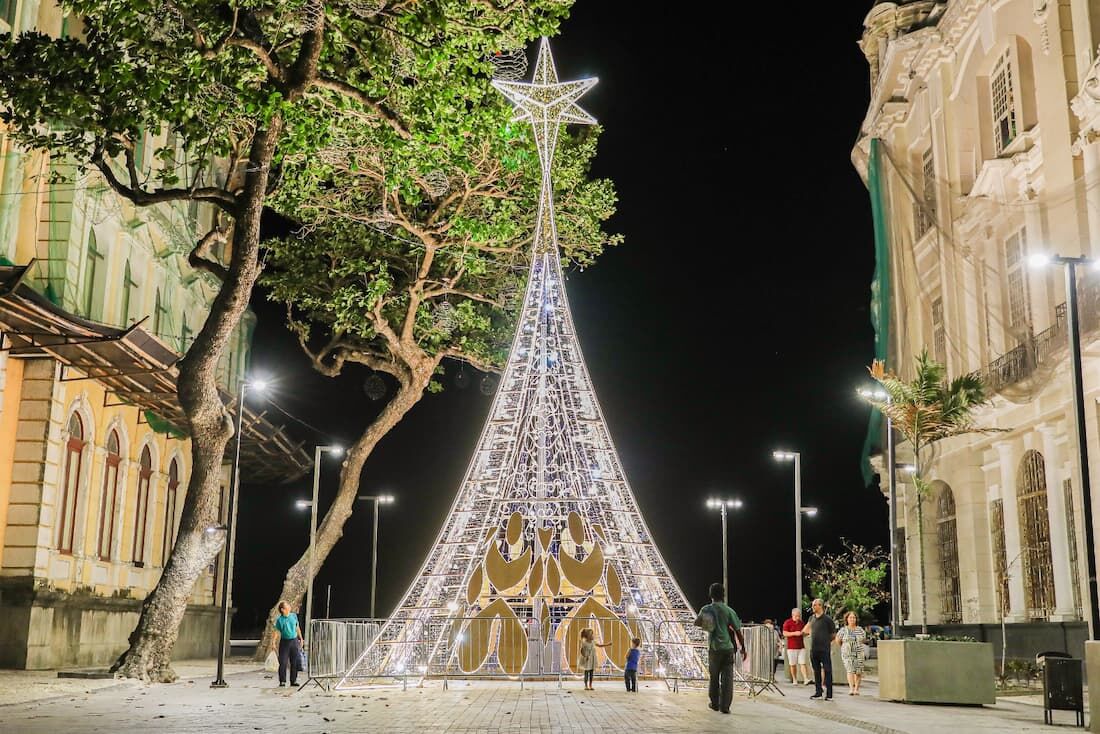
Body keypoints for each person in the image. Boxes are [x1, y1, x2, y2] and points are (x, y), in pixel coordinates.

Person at [699, 582, 744, 714]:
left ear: (710, 594)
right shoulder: (729, 610)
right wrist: (743, 648)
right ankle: (725, 706)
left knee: (714, 677)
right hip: (728, 648)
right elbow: (738, 631)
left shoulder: (706, 609)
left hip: (714, 648)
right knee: (728, 678)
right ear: (723, 595)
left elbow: (700, 623)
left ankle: (715, 703)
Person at [802, 598, 836, 701]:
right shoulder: (811, 618)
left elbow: (833, 635)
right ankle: (818, 692)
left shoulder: (827, 620)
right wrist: (805, 632)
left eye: (814, 605)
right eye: (813, 605)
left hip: (824, 649)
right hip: (814, 649)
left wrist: (826, 642)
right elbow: (804, 631)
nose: (813, 607)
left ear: (820, 606)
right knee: (816, 671)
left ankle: (829, 694)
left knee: (827, 670)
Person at [271, 600, 304, 688]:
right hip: (285, 642)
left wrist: (301, 638)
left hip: (294, 640)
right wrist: (273, 642)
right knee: (283, 662)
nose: (289, 607)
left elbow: (297, 627)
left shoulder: (293, 616)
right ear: (282, 609)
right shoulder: (280, 620)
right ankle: (282, 680)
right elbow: (277, 631)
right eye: (287, 606)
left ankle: (293, 680)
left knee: (294, 662)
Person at [836, 611, 867, 695]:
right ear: (847, 619)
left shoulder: (860, 629)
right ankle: (851, 688)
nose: (852, 619)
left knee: (858, 671)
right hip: (847, 653)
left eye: (854, 617)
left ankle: (856, 689)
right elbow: (838, 640)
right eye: (850, 617)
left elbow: (864, 639)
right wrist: (845, 647)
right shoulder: (843, 630)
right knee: (850, 670)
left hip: (859, 652)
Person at [782, 607, 811, 686]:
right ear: (793, 615)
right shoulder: (787, 622)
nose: (798, 617)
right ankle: (794, 679)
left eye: (799, 616)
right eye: (796, 616)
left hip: (801, 646)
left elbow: (803, 632)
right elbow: (784, 633)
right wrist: (794, 633)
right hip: (791, 647)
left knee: (803, 663)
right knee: (793, 664)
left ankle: (805, 679)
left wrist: (806, 633)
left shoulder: (801, 623)